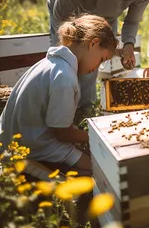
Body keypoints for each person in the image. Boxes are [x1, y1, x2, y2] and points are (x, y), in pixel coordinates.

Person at [0, 14, 118, 176]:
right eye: (102, 59)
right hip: (32, 151)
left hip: (17, 140)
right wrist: (100, 137)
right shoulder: (64, 77)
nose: (98, 67)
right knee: (100, 170)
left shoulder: (48, 65)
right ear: (94, 43)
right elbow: (62, 133)